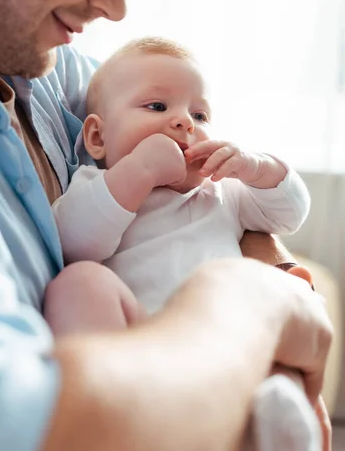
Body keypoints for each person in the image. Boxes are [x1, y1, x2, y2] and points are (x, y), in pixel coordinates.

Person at [0, 0, 332, 451]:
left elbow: (178, 127)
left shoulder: (44, 67)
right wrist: (257, 308)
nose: (116, 6)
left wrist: (272, 265)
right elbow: (12, 428)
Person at [48, 36, 322, 451]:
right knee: (79, 283)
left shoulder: (221, 193)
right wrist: (138, 172)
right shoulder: (97, 185)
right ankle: (105, 403)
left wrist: (255, 166)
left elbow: (289, 213)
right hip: (136, 343)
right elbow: (73, 243)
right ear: (98, 138)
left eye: (200, 113)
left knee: (278, 355)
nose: (184, 123)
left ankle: (266, 421)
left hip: (224, 341)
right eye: (157, 107)